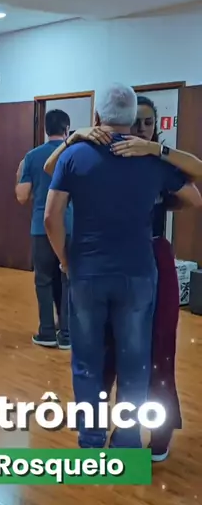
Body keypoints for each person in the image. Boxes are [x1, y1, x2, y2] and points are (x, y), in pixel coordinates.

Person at [43, 83, 201, 450]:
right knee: (135, 361)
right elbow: (194, 197)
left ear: (97, 115)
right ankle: (128, 440)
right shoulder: (152, 161)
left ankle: (91, 436)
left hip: (87, 271)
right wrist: (158, 154)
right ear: (132, 119)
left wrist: (65, 259)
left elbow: (51, 216)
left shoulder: (75, 155)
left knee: (87, 360)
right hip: (137, 273)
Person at [16, 109, 71, 349]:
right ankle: (67, 334)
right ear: (67, 129)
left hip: (42, 228)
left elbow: (22, 196)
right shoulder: (74, 152)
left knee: (44, 280)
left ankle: (47, 332)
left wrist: (20, 173)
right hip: (70, 226)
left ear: (46, 129)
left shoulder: (32, 156)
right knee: (68, 278)